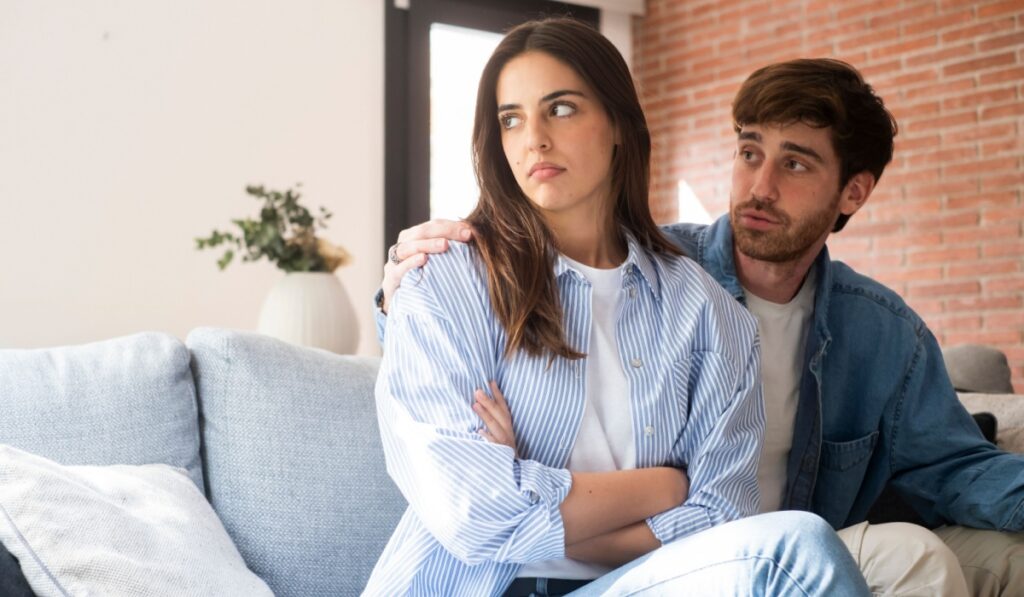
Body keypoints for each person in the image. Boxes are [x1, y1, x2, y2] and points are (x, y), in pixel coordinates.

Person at [379, 56, 1024, 596]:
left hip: (748, 545)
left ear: (852, 193)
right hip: (699, 556)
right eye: (749, 153)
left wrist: (539, 498)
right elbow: (453, 439)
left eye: (794, 165)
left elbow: (958, 466)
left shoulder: (882, 333)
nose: (759, 186)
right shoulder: (657, 268)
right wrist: (398, 298)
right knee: (880, 555)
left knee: (962, 557)